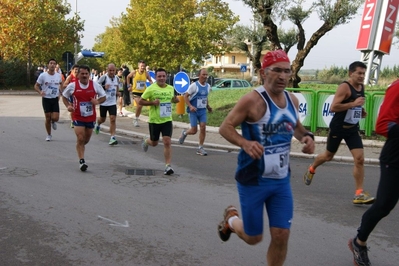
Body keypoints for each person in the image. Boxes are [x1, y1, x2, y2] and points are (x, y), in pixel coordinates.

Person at [217, 50, 315, 265]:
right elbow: (225, 127)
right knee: (254, 238)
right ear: (263, 72)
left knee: (281, 235)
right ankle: (232, 220)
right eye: (277, 70)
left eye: (287, 71)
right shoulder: (252, 100)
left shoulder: (292, 100)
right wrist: (245, 142)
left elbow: (296, 127)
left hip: (280, 180)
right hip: (253, 179)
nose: (282, 76)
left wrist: (306, 137)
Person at [303, 61, 375, 205]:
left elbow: (353, 106)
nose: (362, 76)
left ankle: (359, 194)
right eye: (359, 73)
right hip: (338, 128)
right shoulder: (344, 87)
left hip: (352, 129)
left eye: (363, 73)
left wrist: (360, 111)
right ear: (351, 73)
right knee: (328, 156)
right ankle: (312, 168)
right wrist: (353, 104)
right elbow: (334, 107)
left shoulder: (361, 87)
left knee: (359, 159)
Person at [348, 79, 399, 266]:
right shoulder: (397, 88)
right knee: (384, 205)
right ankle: (359, 242)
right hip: (395, 157)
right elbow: (382, 125)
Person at [62, 65, 106, 171]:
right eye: (82, 74)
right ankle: (82, 161)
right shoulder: (73, 85)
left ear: (89, 74)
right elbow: (64, 96)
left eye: (86, 74)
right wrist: (68, 106)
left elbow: (104, 96)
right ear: (78, 75)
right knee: (81, 138)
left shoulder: (94, 85)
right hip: (77, 116)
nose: (85, 76)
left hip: (90, 117)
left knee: (85, 140)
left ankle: (79, 146)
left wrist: (98, 101)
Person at [138, 68, 180, 175]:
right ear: (156, 77)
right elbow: (141, 101)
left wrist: (175, 100)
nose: (161, 78)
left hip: (167, 120)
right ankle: (146, 140)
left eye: (163, 76)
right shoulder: (151, 89)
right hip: (154, 121)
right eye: (159, 76)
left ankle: (167, 166)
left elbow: (173, 99)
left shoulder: (170, 88)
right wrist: (152, 102)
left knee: (167, 141)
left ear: (166, 77)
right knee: (154, 143)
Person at [178, 68, 212, 155]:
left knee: (203, 127)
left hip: (202, 111)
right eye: (203, 75)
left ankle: (200, 148)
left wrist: (208, 106)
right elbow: (185, 96)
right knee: (194, 130)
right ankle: (185, 133)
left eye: (206, 75)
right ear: (199, 76)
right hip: (193, 111)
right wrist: (190, 106)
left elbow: (205, 97)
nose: (205, 76)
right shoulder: (194, 86)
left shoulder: (208, 86)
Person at [34, 59, 63, 141]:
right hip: (46, 98)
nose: (52, 65)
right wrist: (40, 92)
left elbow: (61, 84)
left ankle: (53, 121)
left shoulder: (58, 75)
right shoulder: (43, 76)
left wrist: (60, 92)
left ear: (56, 66)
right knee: (47, 118)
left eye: (54, 63)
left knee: (55, 118)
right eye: (51, 63)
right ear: (48, 65)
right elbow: (36, 86)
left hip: (55, 98)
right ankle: (49, 134)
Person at [94, 63, 120, 145]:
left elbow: (117, 87)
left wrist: (118, 92)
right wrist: (104, 87)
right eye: (110, 70)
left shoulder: (117, 78)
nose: (112, 72)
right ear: (107, 70)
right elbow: (96, 87)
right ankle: (98, 123)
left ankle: (112, 137)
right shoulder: (104, 77)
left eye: (113, 70)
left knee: (113, 119)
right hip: (104, 102)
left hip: (112, 102)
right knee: (103, 119)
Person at [127, 60, 153, 127]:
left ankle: (136, 118)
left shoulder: (146, 73)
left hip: (143, 92)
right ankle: (136, 119)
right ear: (138, 66)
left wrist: (152, 85)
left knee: (141, 106)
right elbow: (128, 77)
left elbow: (150, 80)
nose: (142, 67)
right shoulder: (134, 72)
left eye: (144, 66)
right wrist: (129, 85)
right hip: (135, 91)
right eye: (141, 66)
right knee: (140, 105)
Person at [63, 64, 79, 128]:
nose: (77, 71)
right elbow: (64, 85)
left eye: (78, 70)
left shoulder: (80, 76)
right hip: (72, 94)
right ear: (72, 70)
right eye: (75, 69)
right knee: (72, 107)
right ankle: (72, 120)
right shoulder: (70, 77)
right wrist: (71, 86)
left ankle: (77, 119)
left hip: (78, 94)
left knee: (78, 107)